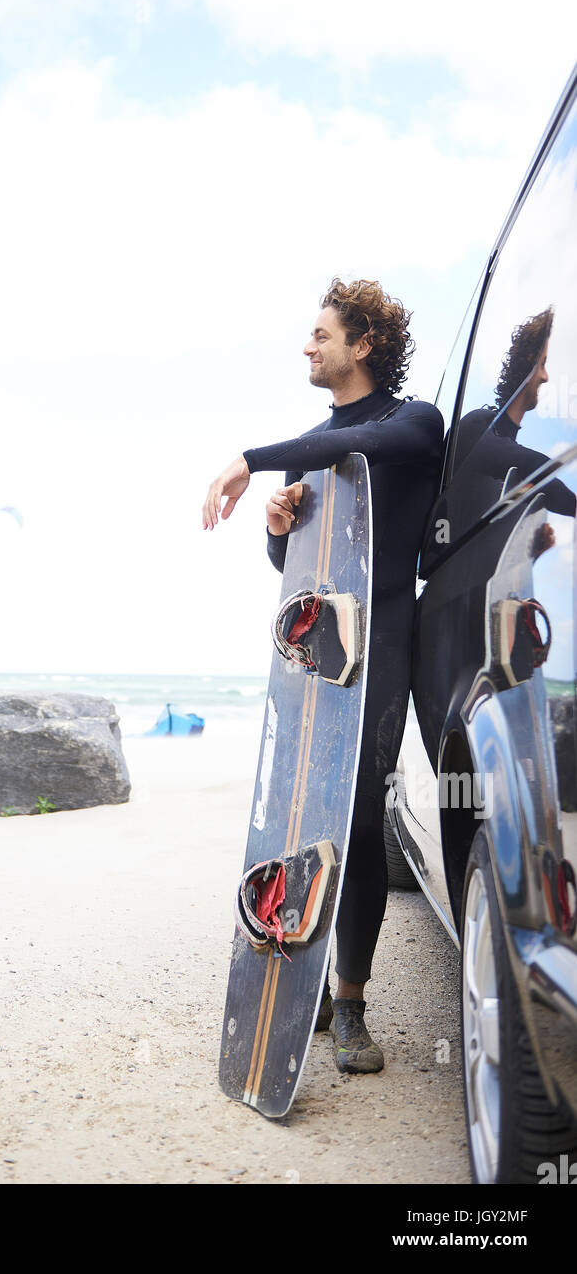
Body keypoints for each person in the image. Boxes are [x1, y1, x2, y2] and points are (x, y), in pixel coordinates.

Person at [202, 277, 444, 1074]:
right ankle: (298, 982)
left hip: (385, 648)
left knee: (361, 824)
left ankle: (351, 1005)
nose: (306, 347)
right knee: (301, 820)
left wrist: (248, 459)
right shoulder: (310, 445)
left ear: (362, 343)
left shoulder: (411, 422)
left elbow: (364, 450)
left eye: (319, 333)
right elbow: (293, 565)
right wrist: (278, 525)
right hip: (313, 655)